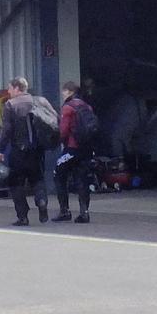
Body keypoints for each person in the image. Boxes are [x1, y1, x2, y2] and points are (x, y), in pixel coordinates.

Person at [0, 77, 50, 225]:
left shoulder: (10, 105)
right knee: (37, 178)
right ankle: (42, 201)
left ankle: (23, 216)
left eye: (10, 88)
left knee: (15, 183)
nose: (8, 91)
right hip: (37, 150)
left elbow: (7, 130)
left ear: (17, 88)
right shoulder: (40, 101)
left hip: (18, 150)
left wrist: (1, 149)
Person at [54, 81, 95, 223]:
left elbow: (63, 131)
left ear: (70, 91)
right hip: (86, 149)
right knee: (82, 179)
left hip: (72, 148)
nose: (62, 93)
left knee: (58, 173)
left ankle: (64, 211)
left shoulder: (68, 107)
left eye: (64, 91)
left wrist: (56, 140)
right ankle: (84, 212)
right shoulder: (87, 106)